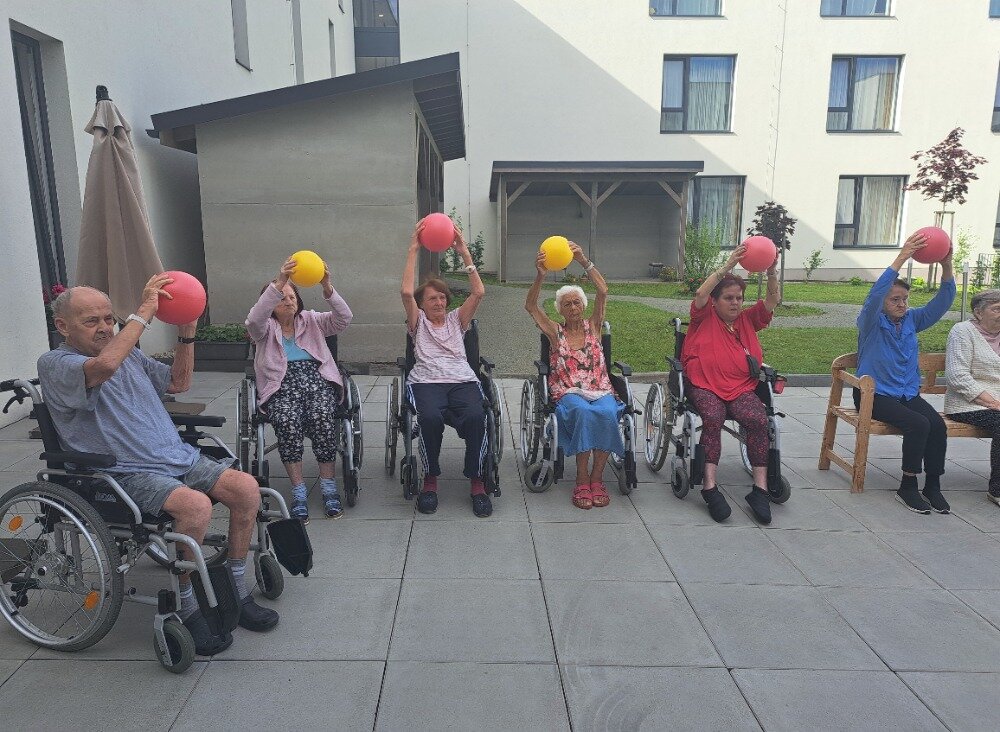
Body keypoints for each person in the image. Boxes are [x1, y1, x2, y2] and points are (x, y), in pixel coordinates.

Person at [39, 277, 279, 658]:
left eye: (108, 319)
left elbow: (179, 382)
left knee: (246, 489)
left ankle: (236, 586)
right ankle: (187, 603)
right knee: (195, 507)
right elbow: (104, 367)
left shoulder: (129, 354)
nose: (104, 327)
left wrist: (186, 332)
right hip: (120, 473)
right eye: (91, 321)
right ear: (62, 326)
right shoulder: (56, 363)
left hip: (174, 456)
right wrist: (144, 313)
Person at [246, 256, 353, 523]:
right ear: (271, 303)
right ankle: (299, 491)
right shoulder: (264, 329)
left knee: (322, 415)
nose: (288, 301)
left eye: (292, 296)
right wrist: (281, 281)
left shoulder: (313, 320)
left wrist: (327, 287)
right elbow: (253, 320)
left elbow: (344, 318)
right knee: (286, 420)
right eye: (281, 297)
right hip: (280, 386)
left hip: (316, 380)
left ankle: (328, 486)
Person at [855, 233, 955, 514]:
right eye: (895, 299)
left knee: (937, 425)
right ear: (883, 303)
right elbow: (875, 296)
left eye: (905, 299)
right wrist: (902, 256)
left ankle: (932, 486)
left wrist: (947, 264)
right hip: (873, 394)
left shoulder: (912, 319)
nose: (902, 304)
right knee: (918, 424)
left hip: (906, 394)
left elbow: (943, 301)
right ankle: (908, 486)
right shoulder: (870, 321)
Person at [681, 243, 780, 524]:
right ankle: (710, 487)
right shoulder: (703, 315)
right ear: (716, 301)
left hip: (740, 387)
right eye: (728, 298)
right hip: (704, 384)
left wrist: (771, 271)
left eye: (738, 298)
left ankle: (760, 490)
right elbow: (700, 294)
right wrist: (727, 266)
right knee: (713, 417)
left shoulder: (748, 319)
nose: (735, 303)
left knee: (758, 420)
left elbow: (772, 301)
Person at [400, 218, 491, 516]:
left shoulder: (457, 320)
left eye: (441, 297)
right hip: (426, 382)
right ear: (422, 304)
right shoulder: (418, 323)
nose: (438, 302)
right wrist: (413, 249)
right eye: (432, 298)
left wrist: (464, 251)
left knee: (477, 416)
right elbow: (406, 293)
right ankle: (430, 481)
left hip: (462, 380)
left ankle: (477, 481)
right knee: (429, 418)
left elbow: (478, 292)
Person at [525, 242, 623, 510]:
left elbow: (603, 290)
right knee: (582, 412)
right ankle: (581, 477)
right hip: (568, 392)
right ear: (560, 310)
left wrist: (583, 260)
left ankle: (597, 478)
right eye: (566, 304)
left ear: (583, 305)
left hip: (600, 389)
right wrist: (540, 275)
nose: (573, 307)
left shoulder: (594, 326)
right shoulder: (555, 332)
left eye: (576, 302)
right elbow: (531, 306)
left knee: (607, 412)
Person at [945, 289, 1000, 506]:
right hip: (967, 404)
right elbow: (957, 376)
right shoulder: (962, 331)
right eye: (997, 309)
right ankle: (997, 490)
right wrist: (993, 402)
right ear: (978, 312)